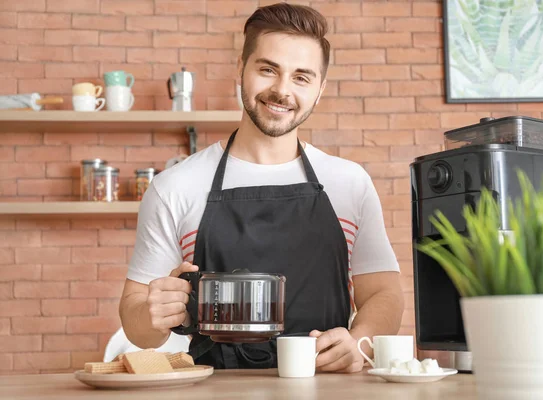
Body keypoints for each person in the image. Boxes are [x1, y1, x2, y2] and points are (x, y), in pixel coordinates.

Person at [119, 2, 404, 373]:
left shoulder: (349, 183)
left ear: (320, 89)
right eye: (268, 69)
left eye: (302, 77)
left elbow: (385, 294)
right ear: (241, 70)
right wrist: (153, 313)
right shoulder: (175, 186)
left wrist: (358, 340)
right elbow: (135, 319)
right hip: (216, 393)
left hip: (330, 390)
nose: (282, 90)